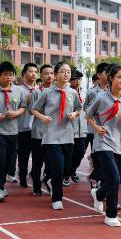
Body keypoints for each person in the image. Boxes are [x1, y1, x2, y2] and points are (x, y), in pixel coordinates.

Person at [87, 65, 121, 227]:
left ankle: (98, 194)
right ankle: (111, 214)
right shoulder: (101, 98)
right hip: (104, 142)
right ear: (111, 78)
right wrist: (96, 128)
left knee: (114, 178)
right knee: (114, 178)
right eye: (119, 77)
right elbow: (88, 115)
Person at [31, 62, 82, 210]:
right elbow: (34, 109)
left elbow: (79, 108)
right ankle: (57, 198)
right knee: (58, 168)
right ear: (56, 74)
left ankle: (49, 180)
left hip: (68, 135)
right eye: (63, 71)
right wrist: (43, 118)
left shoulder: (72, 93)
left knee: (66, 169)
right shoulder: (46, 93)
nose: (66, 74)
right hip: (51, 136)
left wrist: (74, 114)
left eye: (68, 72)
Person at [0, 61, 26, 201]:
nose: (9, 77)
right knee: (1, 160)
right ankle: (0, 187)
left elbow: (23, 106)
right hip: (0, 132)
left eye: (11, 75)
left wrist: (16, 113)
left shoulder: (19, 90)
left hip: (13, 132)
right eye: (5, 74)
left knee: (10, 160)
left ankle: (2, 183)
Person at [30, 64, 54, 195]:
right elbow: (32, 110)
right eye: (46, 73)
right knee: (38, 161)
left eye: (51, 73)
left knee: (52, 161)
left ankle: (49, 180)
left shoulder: (60, 91)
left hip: (53, 134)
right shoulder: (36, 92)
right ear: (41, 75)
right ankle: (36, 186)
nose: (49, 76)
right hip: (39, 132)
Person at [64, 68, 88, 186]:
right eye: (74, 79)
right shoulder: (66, 92)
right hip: (68, 128)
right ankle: (66, 174)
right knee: (68, 154)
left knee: (80, 152)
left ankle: (72, 170)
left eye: (79, 79)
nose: (77, 81)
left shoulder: (84, 92)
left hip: (82, 128)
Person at [18, 63, 38, 187]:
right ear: (24, 73)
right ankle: (22, 176)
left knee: (37, 156)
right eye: (30, 71)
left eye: (35, 71)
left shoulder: (39, 90)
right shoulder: (18, 90)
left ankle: (34, 175)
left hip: (36, 129)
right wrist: (24, 101)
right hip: (23, 127)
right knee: (23, 155)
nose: (33, 74)